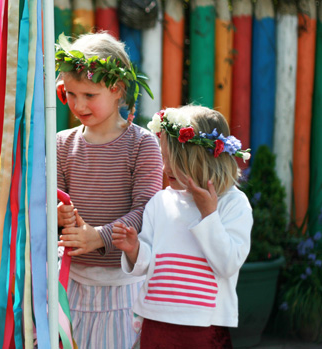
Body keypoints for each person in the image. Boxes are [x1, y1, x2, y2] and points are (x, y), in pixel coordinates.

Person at [55, 32, 163, 348]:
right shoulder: (62, 143)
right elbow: (56, 204)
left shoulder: (142, 144)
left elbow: (146, 210)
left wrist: (98, 236)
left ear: (116, 89)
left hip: (123, 284)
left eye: (89, 95)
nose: (78, 104)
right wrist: (61, 214)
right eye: (70, 94)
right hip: (71, 282)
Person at [113, 105, 253, 347]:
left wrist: (209, 214)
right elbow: (149, 262)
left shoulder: (233, 204)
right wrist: (134, 249)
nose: (165, 168)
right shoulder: (160, 202)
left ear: (202, 159)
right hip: (157, 322)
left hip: (205, 326)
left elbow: (227, 264)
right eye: (163, 157)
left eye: (174, 160)